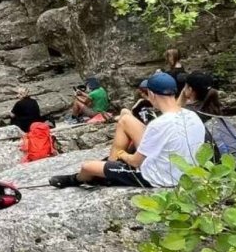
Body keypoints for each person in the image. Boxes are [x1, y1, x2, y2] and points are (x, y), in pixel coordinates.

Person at [54, 72, 204, 189]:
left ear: (151, 94)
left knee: (87, 167)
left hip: (159, 177)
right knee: (125, 118)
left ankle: (78, 179)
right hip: (185, 172)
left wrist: (123, 155)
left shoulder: (159, 124)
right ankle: (109, 166)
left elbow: (136, 161)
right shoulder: (192, 115)